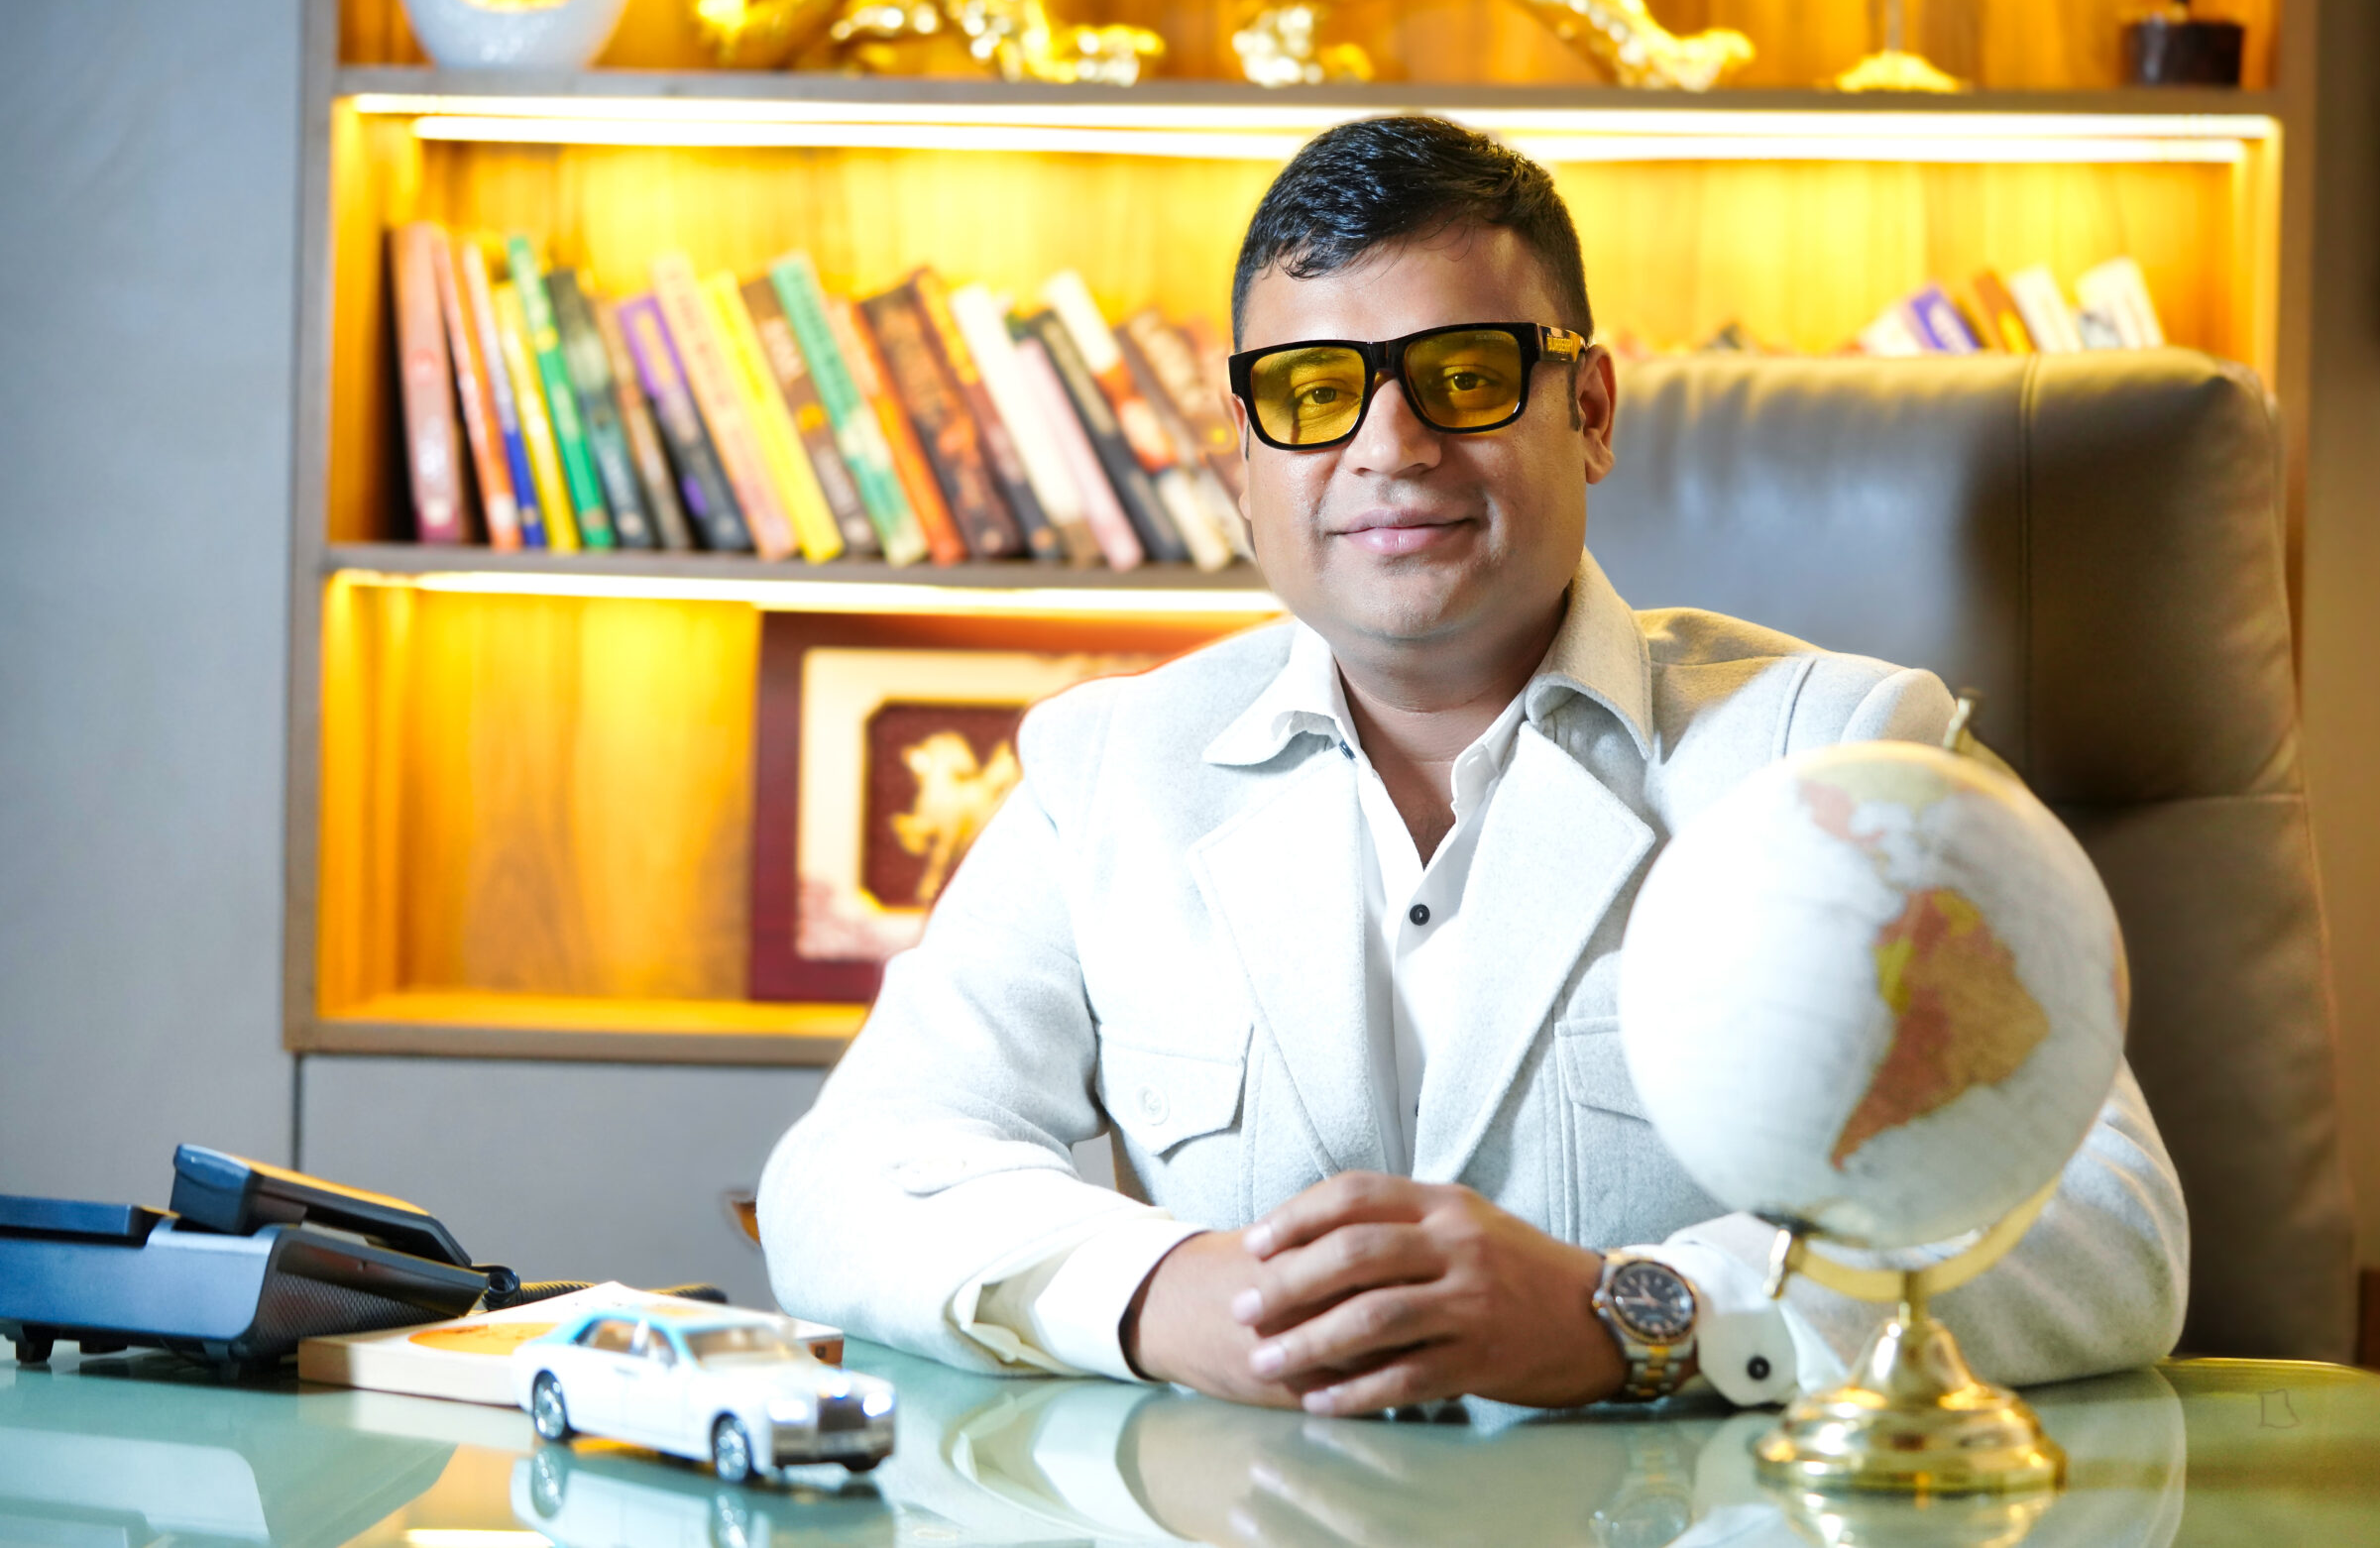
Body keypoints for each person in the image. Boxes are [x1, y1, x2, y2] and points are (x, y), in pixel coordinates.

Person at [758, 115, 2188, 1415]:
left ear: (1594, 411)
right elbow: (846, 1182)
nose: (1393, 446)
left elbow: (2106, 1225)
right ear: (1243, 464)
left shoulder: (1850, 758)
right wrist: (1164, 1295)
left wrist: (1637, 1316)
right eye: (1314, 390)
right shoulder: (1111, 770)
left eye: (1464, 376)